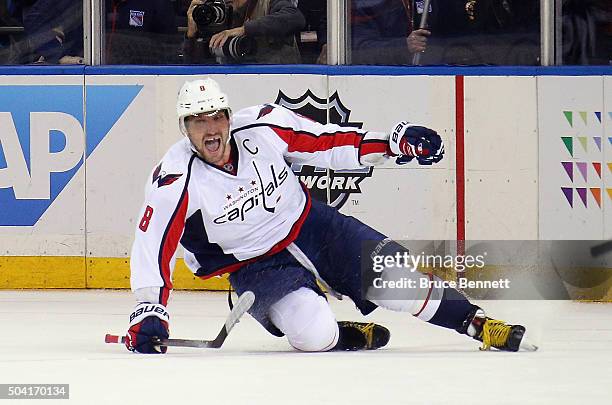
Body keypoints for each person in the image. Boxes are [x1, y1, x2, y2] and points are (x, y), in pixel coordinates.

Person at [125, 78, 529, 354]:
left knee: (397, 283)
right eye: (198, 120)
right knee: (312, 334)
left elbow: (327, 142)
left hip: (312, 226)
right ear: (185, 127)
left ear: (229, 117)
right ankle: (338, 335)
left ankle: (477, 323)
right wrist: (149, 310)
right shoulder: (174, 178)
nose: (210, 128)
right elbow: (152, 244)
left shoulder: (263, 125)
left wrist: (392, 143)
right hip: (255, 264)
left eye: (216, 116)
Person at [183, 0, 305, 64]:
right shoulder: (215, 13)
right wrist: (191, 34)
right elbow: (193, 67)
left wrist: (244, 30)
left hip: (279, 82)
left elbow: (295, 18)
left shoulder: (269, 2)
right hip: (234, 85)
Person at [316, 0, 430, 65]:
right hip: (375, 83)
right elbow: (355, 51)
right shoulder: (361, 3)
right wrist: (404, 46)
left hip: (427, 77)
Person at [105, 0, 178, 64]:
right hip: (100, 72)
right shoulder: (98, 4)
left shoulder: (158, 3)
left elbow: (170, 48)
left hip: (143, 73)